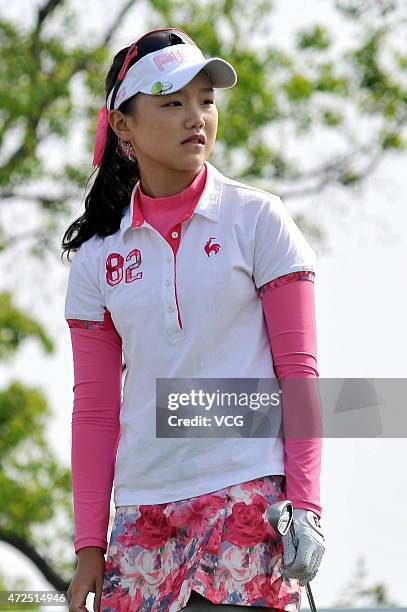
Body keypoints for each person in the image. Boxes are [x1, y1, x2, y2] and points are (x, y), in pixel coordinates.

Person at [61, 28, 325, 612]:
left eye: (205, 100)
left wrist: (307, 506)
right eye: (172, 101)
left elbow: (300, 374)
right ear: (123, 126)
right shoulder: (97, 257)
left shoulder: (259, 220)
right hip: (142, 515)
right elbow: (96, 411)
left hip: (247, 499)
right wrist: (88, 550)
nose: (195, 117)